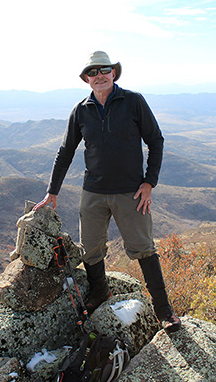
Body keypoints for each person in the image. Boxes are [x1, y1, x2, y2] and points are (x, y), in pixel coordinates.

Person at [33, 51, 181, 332]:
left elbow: (156, 141)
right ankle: (100, 293)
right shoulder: (81, 110)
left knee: (144, 250)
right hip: (94, 192)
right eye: (93, 72)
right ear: (87, 79)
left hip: (131, 192)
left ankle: (164, 310)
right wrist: (52, 192)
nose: (99, 76)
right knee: (90, 249)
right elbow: (65, 152)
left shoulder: (133, 101)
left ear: (113, 73)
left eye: (105, 70)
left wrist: (149, 183)